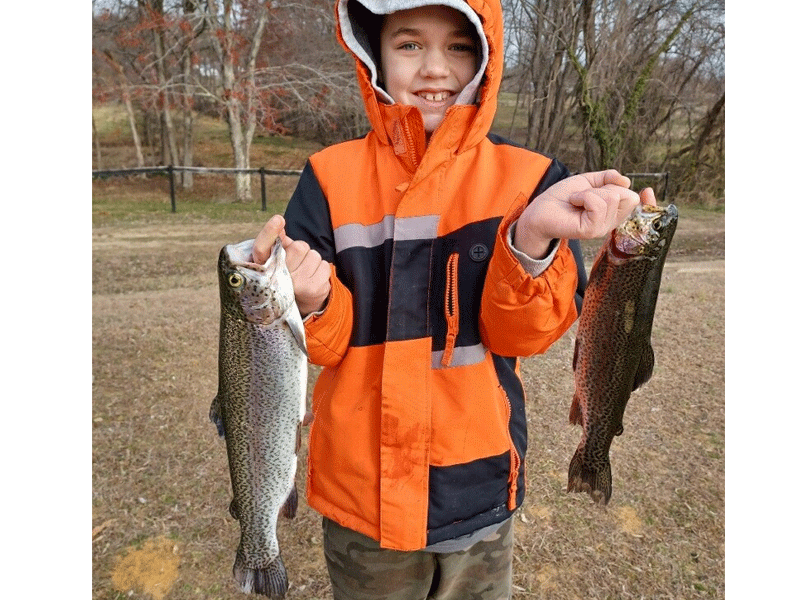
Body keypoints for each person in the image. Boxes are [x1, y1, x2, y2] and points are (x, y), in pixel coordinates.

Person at [251, 1, 656, 598]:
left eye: (459, 47)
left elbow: (526, 336)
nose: (435, 68)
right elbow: (324, 345)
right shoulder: (327, 176)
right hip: (361, 497)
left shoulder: (533, 179)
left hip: (480, 489)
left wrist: (530, 239)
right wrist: (308, 299)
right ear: (372, 56)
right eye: (409, 45)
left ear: (487, 57)